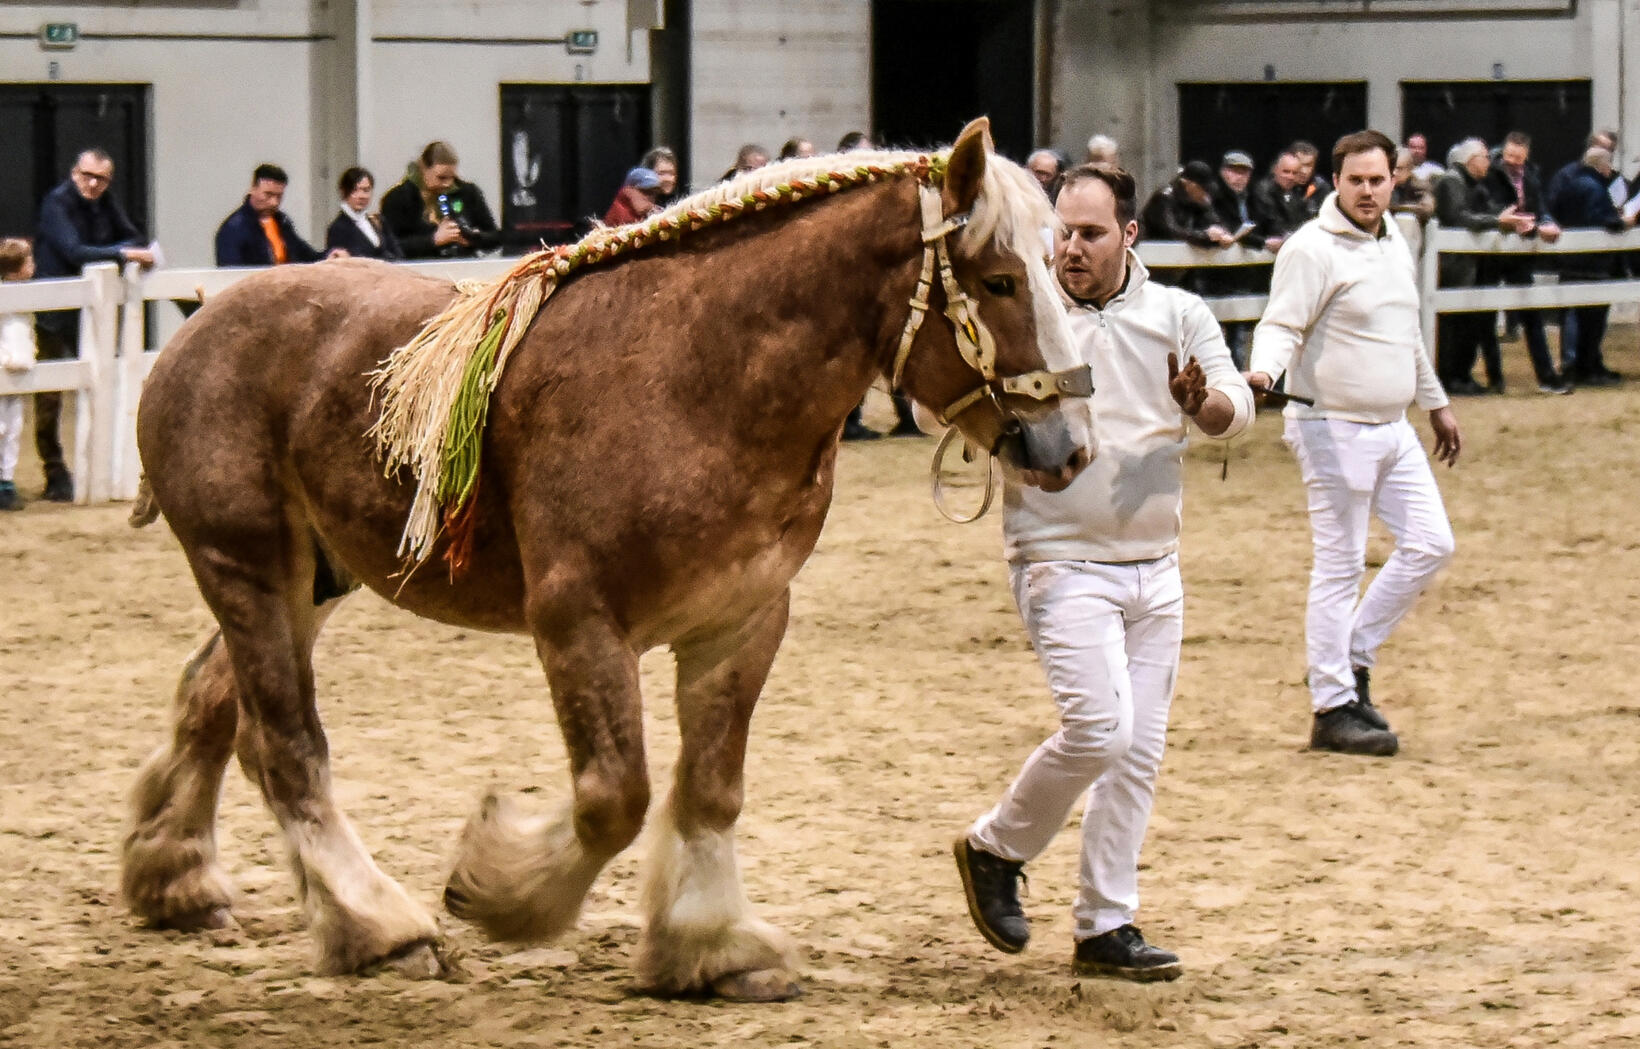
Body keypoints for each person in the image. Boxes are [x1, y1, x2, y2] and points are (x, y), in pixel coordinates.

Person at [953, 163, 1253, 982]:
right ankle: (995, 847)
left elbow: (1235, 407)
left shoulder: (1178, 313)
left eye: (1090, 233)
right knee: (1099, 728)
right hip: (1058, 558)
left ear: (1129, 234)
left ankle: (1104, 923)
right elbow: (938, 396)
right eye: (1063, 232)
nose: (1071, 248)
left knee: (1136, 754)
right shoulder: (1027, 316)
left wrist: (1203, 405)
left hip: (1157, 567)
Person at [1247, 129, 1461, 758]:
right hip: (1330, 426)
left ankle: (1349, 662)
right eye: (1355, 181)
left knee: (1431, 544)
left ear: (1394, 179)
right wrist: (1263, 374)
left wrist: (1436, 402)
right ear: (1335, 183)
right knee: (1339, 566)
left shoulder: (1397, 239)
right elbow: (1280, 323)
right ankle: (1332, 707)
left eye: (1378, 180)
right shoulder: (1311, 250)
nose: (1368, 191)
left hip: (1392, 426)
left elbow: (1408, 333)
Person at [31, 148, 155, 503]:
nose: (93, 184)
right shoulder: (56, 203)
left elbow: (134, 236)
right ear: (74, 172)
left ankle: (116, 466)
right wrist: (121, 254)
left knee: (110, 383)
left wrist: (118, 249)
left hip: (96, 311)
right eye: (87, 175)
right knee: (49, 397)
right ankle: (54, 471)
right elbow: (73, 250)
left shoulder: (106, 202)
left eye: (100, 179)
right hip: (55, 310)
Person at [1433, 139, 1531, 394]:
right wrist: (1498, 221)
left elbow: (1482, 212)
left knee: (1468, 324)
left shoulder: (1472, 184)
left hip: (1471, 266)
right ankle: (1452, 377)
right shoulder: (1451, 181)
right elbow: (1458, 217)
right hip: (1455, 266)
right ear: (1471, 160)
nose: (1489, 162)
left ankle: (1462, 375)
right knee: (1454, 325)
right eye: (1485, 157)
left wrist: (1504, 217)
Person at [1482, 132, 1569, 395]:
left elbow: (1539, 206)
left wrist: (1546, 222)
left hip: (1520, 253)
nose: (1513, 162)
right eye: (1509, 156)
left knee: (1532, 314)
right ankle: (1495, 379)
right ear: (1503, 151)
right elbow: (1488, 206)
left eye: (1518, 158)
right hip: (1492, 252)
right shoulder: (1489, 174)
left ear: (1526, 156)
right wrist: (1509, 220)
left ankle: (1546, 376)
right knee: (1486, 316)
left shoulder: (1531, 176)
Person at [1547, 145, 1632, 386]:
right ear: (1602, 166)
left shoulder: (1569, 184)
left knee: (1572, 316)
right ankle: (1589, 367)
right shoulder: (1595, 188)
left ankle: (1573, 364)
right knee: (1593, 319)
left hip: (1568, 261)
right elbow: (1598, 219)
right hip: (1592, 264)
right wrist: (1621, 222)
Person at [380, 141, 501, 260]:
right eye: (441, 178)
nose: (447, 183)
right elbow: (390, 247)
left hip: (463, 266)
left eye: (452, 177)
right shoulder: (398, 198)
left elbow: (495, 237)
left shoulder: (468, 193)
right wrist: (433, 240)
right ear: (424, 170)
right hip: (419, 270)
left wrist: (475, 238)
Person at [215, 164, 343, 266]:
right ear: (253, 189)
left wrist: (328, 257)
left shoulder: (282, 223)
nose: (274, 202)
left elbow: (306, 256)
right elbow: (230, 274)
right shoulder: (234, 228)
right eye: (268, 194)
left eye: (279, 196)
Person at [0, 238, 39, 511]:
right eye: (29, 260)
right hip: (5, 364)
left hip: (19, 370)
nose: (34, 265)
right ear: (16, 269)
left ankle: (6, 481)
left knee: (13, 427)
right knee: (1, 427)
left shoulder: (27, 296)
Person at [325, 167, 401, 260]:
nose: (362, 196)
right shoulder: (337, 229)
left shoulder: (378, 221)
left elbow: (397, 253)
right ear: (343, 192)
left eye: (366, 190)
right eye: (355, 190)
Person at [1249, 151, 1308, 253]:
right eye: (1286, 171)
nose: (1290, 177)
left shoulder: (1297, 194)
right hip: (1262, 251)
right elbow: (1271, 223)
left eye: (1294, 173)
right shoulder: (1261, 191)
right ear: (1275, 170)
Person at [1290, 141, 1331, 219]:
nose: (1304, 171)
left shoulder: (1321, 187)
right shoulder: (1277, 187)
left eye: (1308, 165)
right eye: (1300, 164)